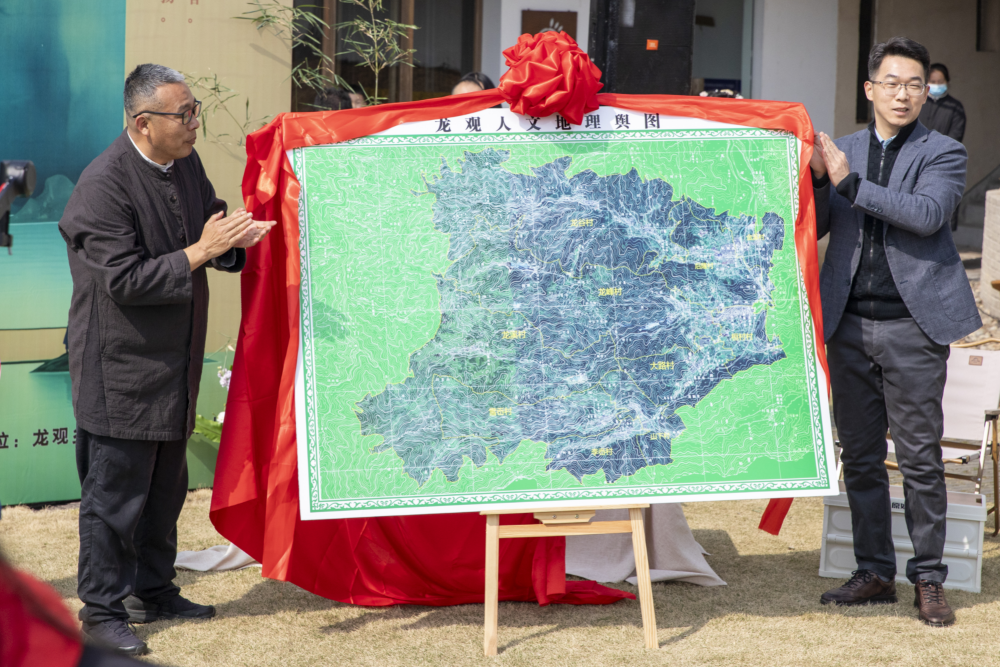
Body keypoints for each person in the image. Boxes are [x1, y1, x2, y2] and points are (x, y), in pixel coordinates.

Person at [59, 63, 275, 655]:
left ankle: (152, 589)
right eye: (184, 115)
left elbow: (207, 222)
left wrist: (231, 242)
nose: (194, 123)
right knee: (114, 499)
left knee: (164, 490)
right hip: (120, 367)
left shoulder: (184, 163)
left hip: (174, 362)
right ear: (143, 123)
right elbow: (124, 280)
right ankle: (102, 610)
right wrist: (202, 250)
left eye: (195, 110)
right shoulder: (101, 185)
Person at [810, 37, 978, 627]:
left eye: (914, 84)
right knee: (859, 457)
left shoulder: (944, 151)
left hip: (914, 325)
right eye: (891, 83)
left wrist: (849, 183)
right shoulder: (845, 149)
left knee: (919, 459)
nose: (902, 94)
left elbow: (927, 215)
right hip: (849, 323)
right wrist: (817, 182)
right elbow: (817, 223)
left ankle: (928, 578)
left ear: (926, 92)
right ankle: (874, 571)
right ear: (870, 89)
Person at [918, 63, 965, 142]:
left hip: (943, 149)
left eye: (940, 82)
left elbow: (956, 135)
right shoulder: (918, 102)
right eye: (933, 82)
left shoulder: (955, 107)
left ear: (947, 81)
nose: (936, 85)